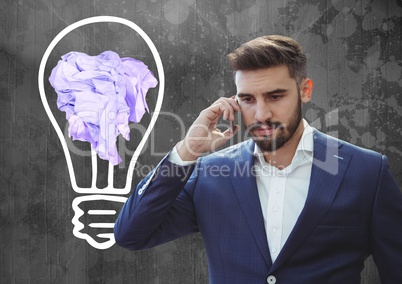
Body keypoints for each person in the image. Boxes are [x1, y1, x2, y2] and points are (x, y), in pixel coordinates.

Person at [114, 35, 402, 283]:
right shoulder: (211, 173)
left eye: (275, 97)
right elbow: (131, 234)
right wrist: (187, 150)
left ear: (305, 91)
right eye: (248, 99)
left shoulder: (366, 171)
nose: (261, 114)